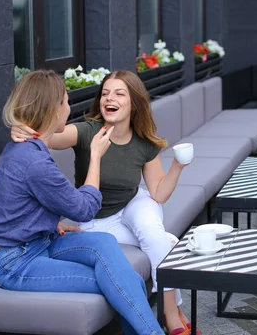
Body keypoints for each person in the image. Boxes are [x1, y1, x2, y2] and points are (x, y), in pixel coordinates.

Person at [11, 70, 197, 335]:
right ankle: (175, 311)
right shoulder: (88, 132)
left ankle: (170, 316)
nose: (110, 98)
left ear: (134, 103)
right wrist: (23, 129)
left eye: (119, 94)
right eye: (106, 93)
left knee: (152, 232)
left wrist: (178, 166)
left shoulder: (143, 141)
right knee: (165, 242)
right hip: (96, 220)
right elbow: (47, 136)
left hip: (134, 203)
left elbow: (158, 193)